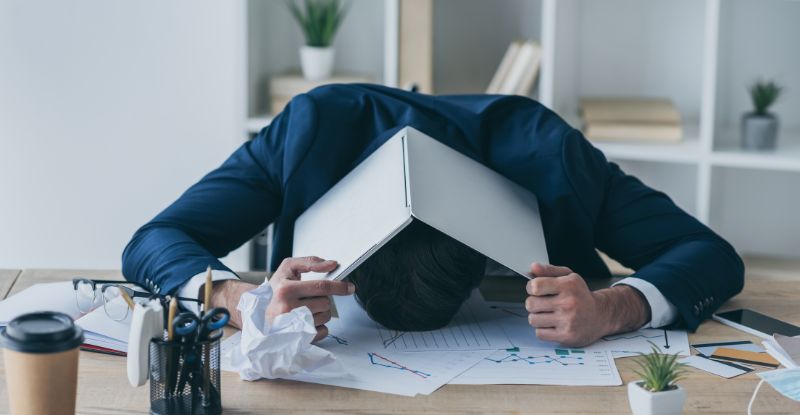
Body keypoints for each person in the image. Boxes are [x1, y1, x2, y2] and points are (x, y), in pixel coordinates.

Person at [122, 84, 744, 347]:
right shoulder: (308, 133)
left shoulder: (551, 155)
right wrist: (239, 299)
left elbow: (711, 256)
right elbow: (156, 239)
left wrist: (615, 308)